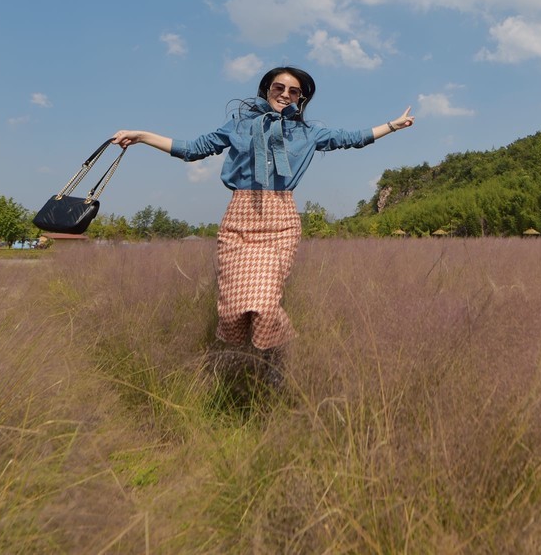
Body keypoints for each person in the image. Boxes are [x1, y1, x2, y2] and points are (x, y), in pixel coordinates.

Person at [111, 66, 414, 390]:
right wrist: (142, 136)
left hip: (280, 221)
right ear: (266, 89)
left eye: (293, 91)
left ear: (301, 97)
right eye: (278, 87)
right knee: (233, 309)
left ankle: (276, 370)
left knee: (266, 303)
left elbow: (352, 139)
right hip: (238, 220)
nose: (285, 94)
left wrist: (393, 126)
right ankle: (245, 367)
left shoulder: (308, 133)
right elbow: (191, 149)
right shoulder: (239, 127)